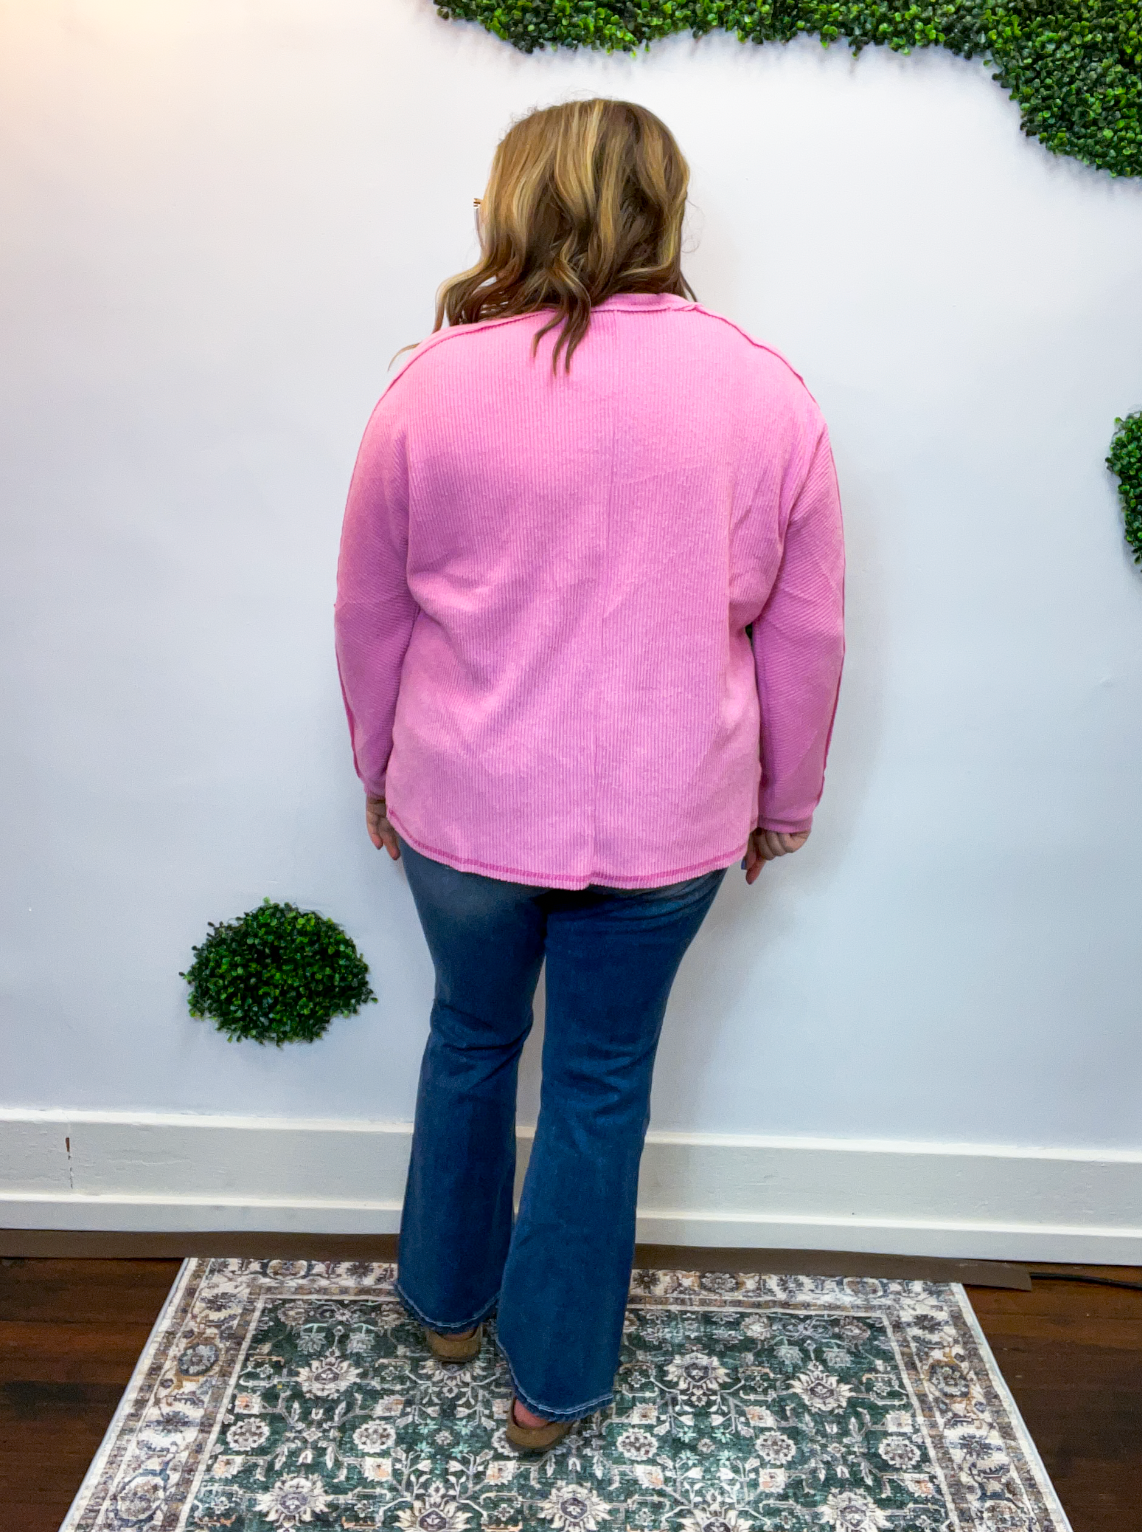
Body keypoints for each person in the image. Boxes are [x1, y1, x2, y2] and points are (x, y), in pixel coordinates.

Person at [334, 97, 844, 1451]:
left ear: (515, 204)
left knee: (470, 1036)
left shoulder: (428, 387)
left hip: (463, 804)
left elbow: (369, 611)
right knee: (599, 1083)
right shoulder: (765, 391)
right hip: (671, 817)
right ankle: (549, 1388)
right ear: (661, 208)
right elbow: (806, 629)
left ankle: (448, 1308)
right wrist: (785, 800)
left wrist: (377, 766)